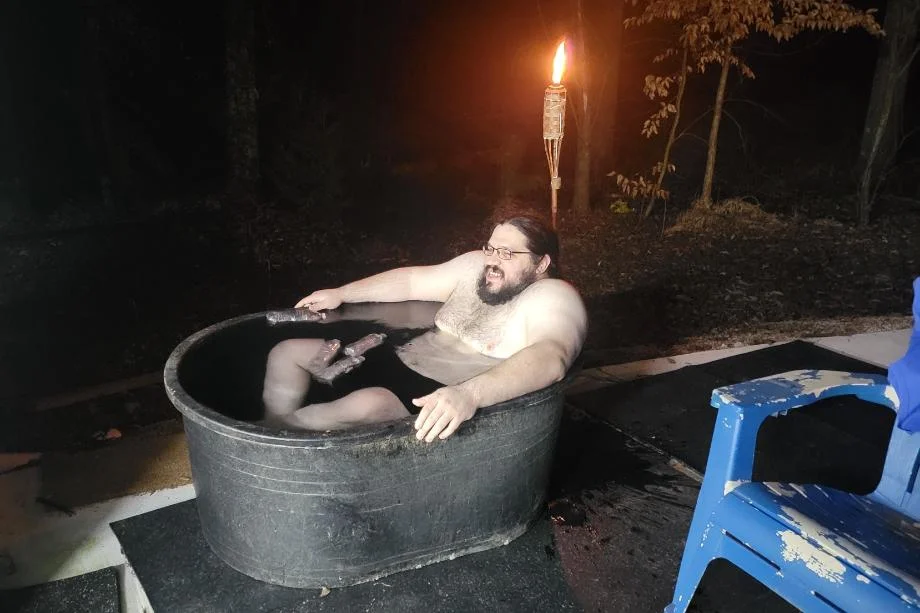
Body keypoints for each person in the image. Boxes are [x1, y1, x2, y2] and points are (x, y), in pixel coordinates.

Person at [262, 215, 588, 442]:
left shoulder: (553, 296)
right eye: (491, 248)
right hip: (396, 357)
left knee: (366, 404)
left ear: (541, 263)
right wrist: (341, 293)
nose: (492, 260)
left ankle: (261, 441)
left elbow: (551, 356)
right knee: (287, 352)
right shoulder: (477, 268)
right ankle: (272, 424)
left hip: (435, 395)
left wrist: (468, 395)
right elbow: (411, 281)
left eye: (506, 253)